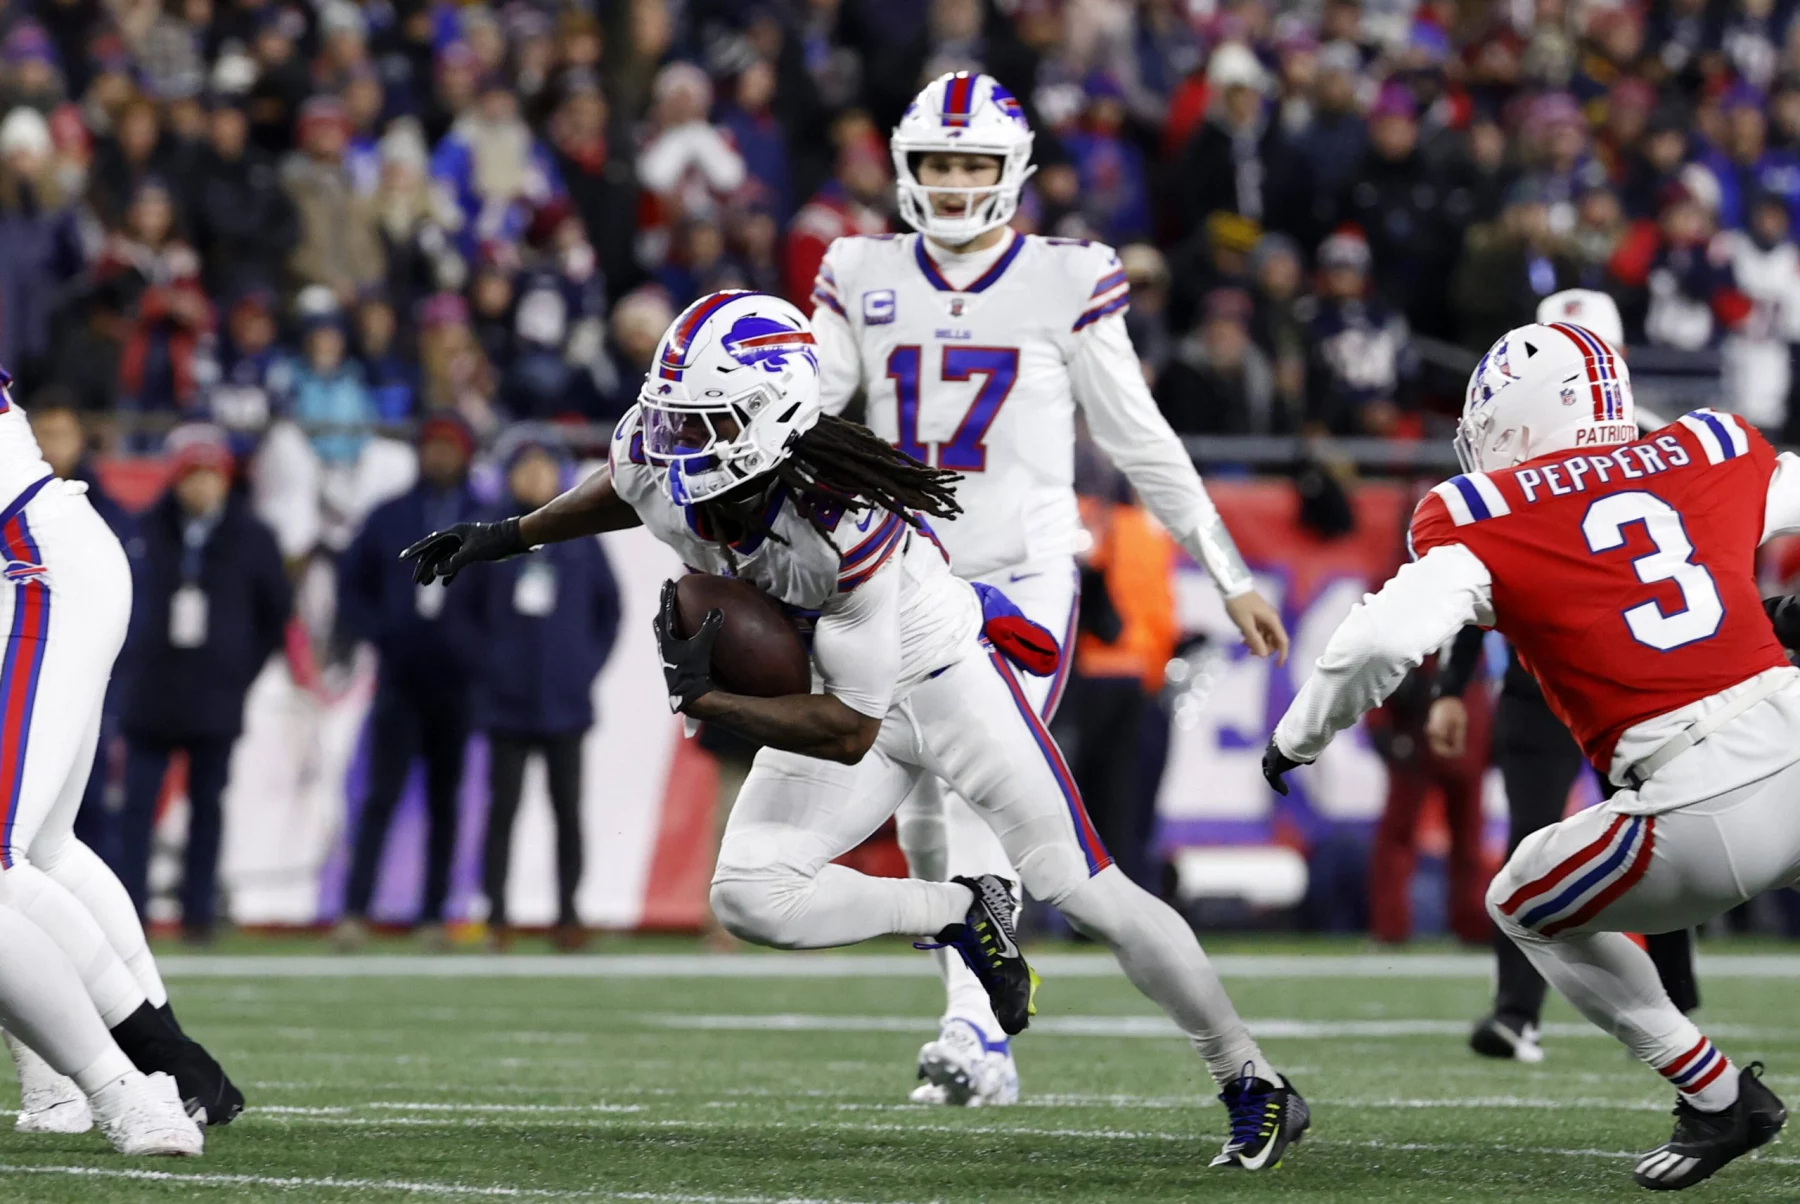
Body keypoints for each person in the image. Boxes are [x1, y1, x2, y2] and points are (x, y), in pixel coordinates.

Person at [403, 290, 1310, 1172]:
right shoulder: (665, 453)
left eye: (702, 422)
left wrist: (709, 702)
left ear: (772, 417)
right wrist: (510, 535)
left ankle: (1250, 1076)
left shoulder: (841, 523)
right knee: (749, 896)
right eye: (673, 415)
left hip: (943, 687)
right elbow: (632, 488)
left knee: (1082, 887)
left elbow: (848, 730)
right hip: (839, 695)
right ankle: (958, 913)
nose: (674, 440)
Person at [808, 71, 1289, 1108]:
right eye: (938, 161)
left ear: (1013, 170)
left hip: (1020, 574)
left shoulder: (1068, 275)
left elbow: (1138, 437)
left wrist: (1227, 570)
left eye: (973, 162)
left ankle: (973, 1027)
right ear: (906, 166)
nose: (953, 181)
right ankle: (981, 1025)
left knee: (977, 780)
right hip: (904, 572)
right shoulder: (859, 267)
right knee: (925, 808)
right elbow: (803, 406)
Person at [1263, 319, 1800, 1191]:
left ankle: (1716, 1096)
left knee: (1522, 899)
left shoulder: (1487, 511)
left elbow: (1380, 642)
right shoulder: (1706, 445)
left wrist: (1300, 736)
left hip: (1700, 797)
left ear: (1519, 417)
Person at [1429, 289, 1699, 1063]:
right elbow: (1476, 574)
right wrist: (1452, 684)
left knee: (1663, 833)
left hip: (1632, 678)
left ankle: (1676, 1004)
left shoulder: (1660, 447)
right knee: (1531, 843)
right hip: (1542, 678)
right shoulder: (1515, 456)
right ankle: (1517, 1011)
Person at [0, 365, 244, 1146]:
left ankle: (139, 1083)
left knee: (1, 859)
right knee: (43, 849)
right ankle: (110, 1077)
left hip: (31, 569)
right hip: (43, 560)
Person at [113, 425, 291, 943]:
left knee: (207, 808)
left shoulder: (253, 537)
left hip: (216, 694)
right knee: (136, 809)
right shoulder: (145, 529)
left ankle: (197, 916)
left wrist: (238, 670)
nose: (202, 486)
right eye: (193, 475)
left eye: (211, 475)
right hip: (151, 692)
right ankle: (128, 914)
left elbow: (276, 615)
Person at [334, 413, 482, 950]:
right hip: (399, 677)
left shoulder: (486, 518)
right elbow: (351, 585)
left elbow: (501, 594)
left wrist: (476, 649)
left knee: (445, 802)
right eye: (432, 446)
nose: (440, 456)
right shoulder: (390, 515)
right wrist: (382, 633)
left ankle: (434, 915)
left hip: (457, 682)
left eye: (450, 447)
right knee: (380, 798)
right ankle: (355, 911)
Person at [466, 437, 619, 949]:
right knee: (502, 813)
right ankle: (496, 916)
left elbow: (609, 610)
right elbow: (461, 612)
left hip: (566, 704)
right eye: (525, 468)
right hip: (505, 704)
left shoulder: (581, 535)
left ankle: (568, 915)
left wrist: (582, 668)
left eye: (544, 468)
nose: (535, 477)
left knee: (567, 814)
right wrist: (490, 668)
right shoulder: (489, 534)